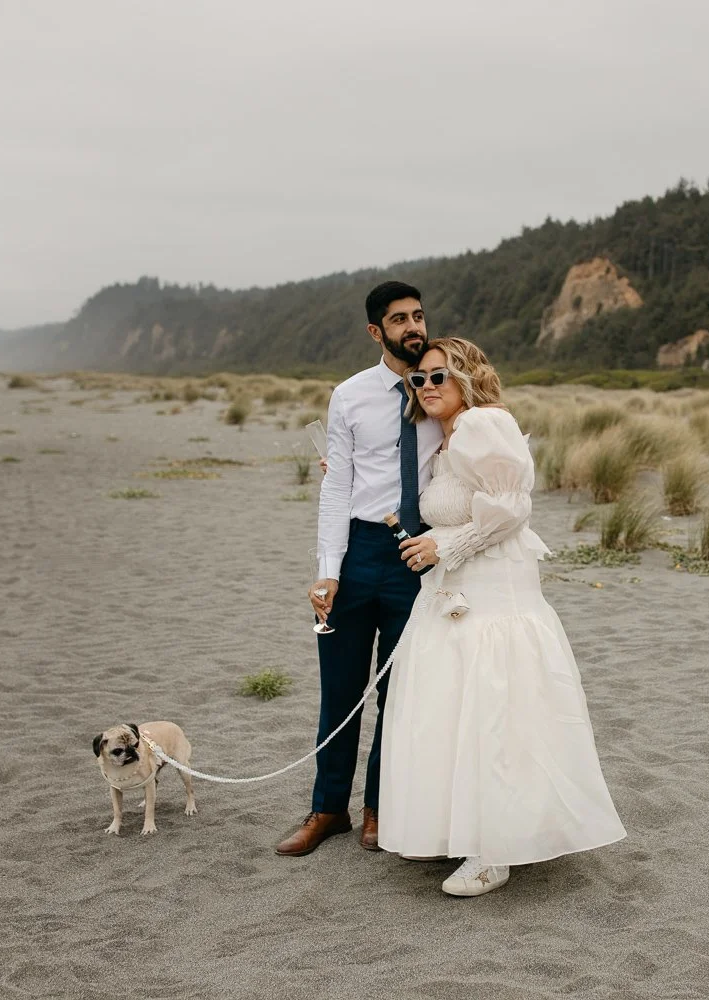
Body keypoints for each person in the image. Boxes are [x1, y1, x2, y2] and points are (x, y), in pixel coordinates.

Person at [379, 337, 626, 896]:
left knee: (493, 710)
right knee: (454, 710)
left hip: (493, 595)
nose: (429, 387)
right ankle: (466, 830)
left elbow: (514, 506)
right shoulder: (441, 441)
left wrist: (448, 547)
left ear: (468, 376)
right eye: (419, 380)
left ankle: (494, 850)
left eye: (441, 375)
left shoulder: (483, 424)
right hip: (456, 595)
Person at [275, 280, 443, 857]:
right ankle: (328, 811)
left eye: (418, 316)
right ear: (377, 332)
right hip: (359, 551)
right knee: (341, 691)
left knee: (401, 696)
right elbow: (336, 486)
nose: (413, 327)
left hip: (417, 557)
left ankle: (378, 809)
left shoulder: (444, 389)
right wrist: (328, 569)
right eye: (400, 320)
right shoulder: (349, 396)